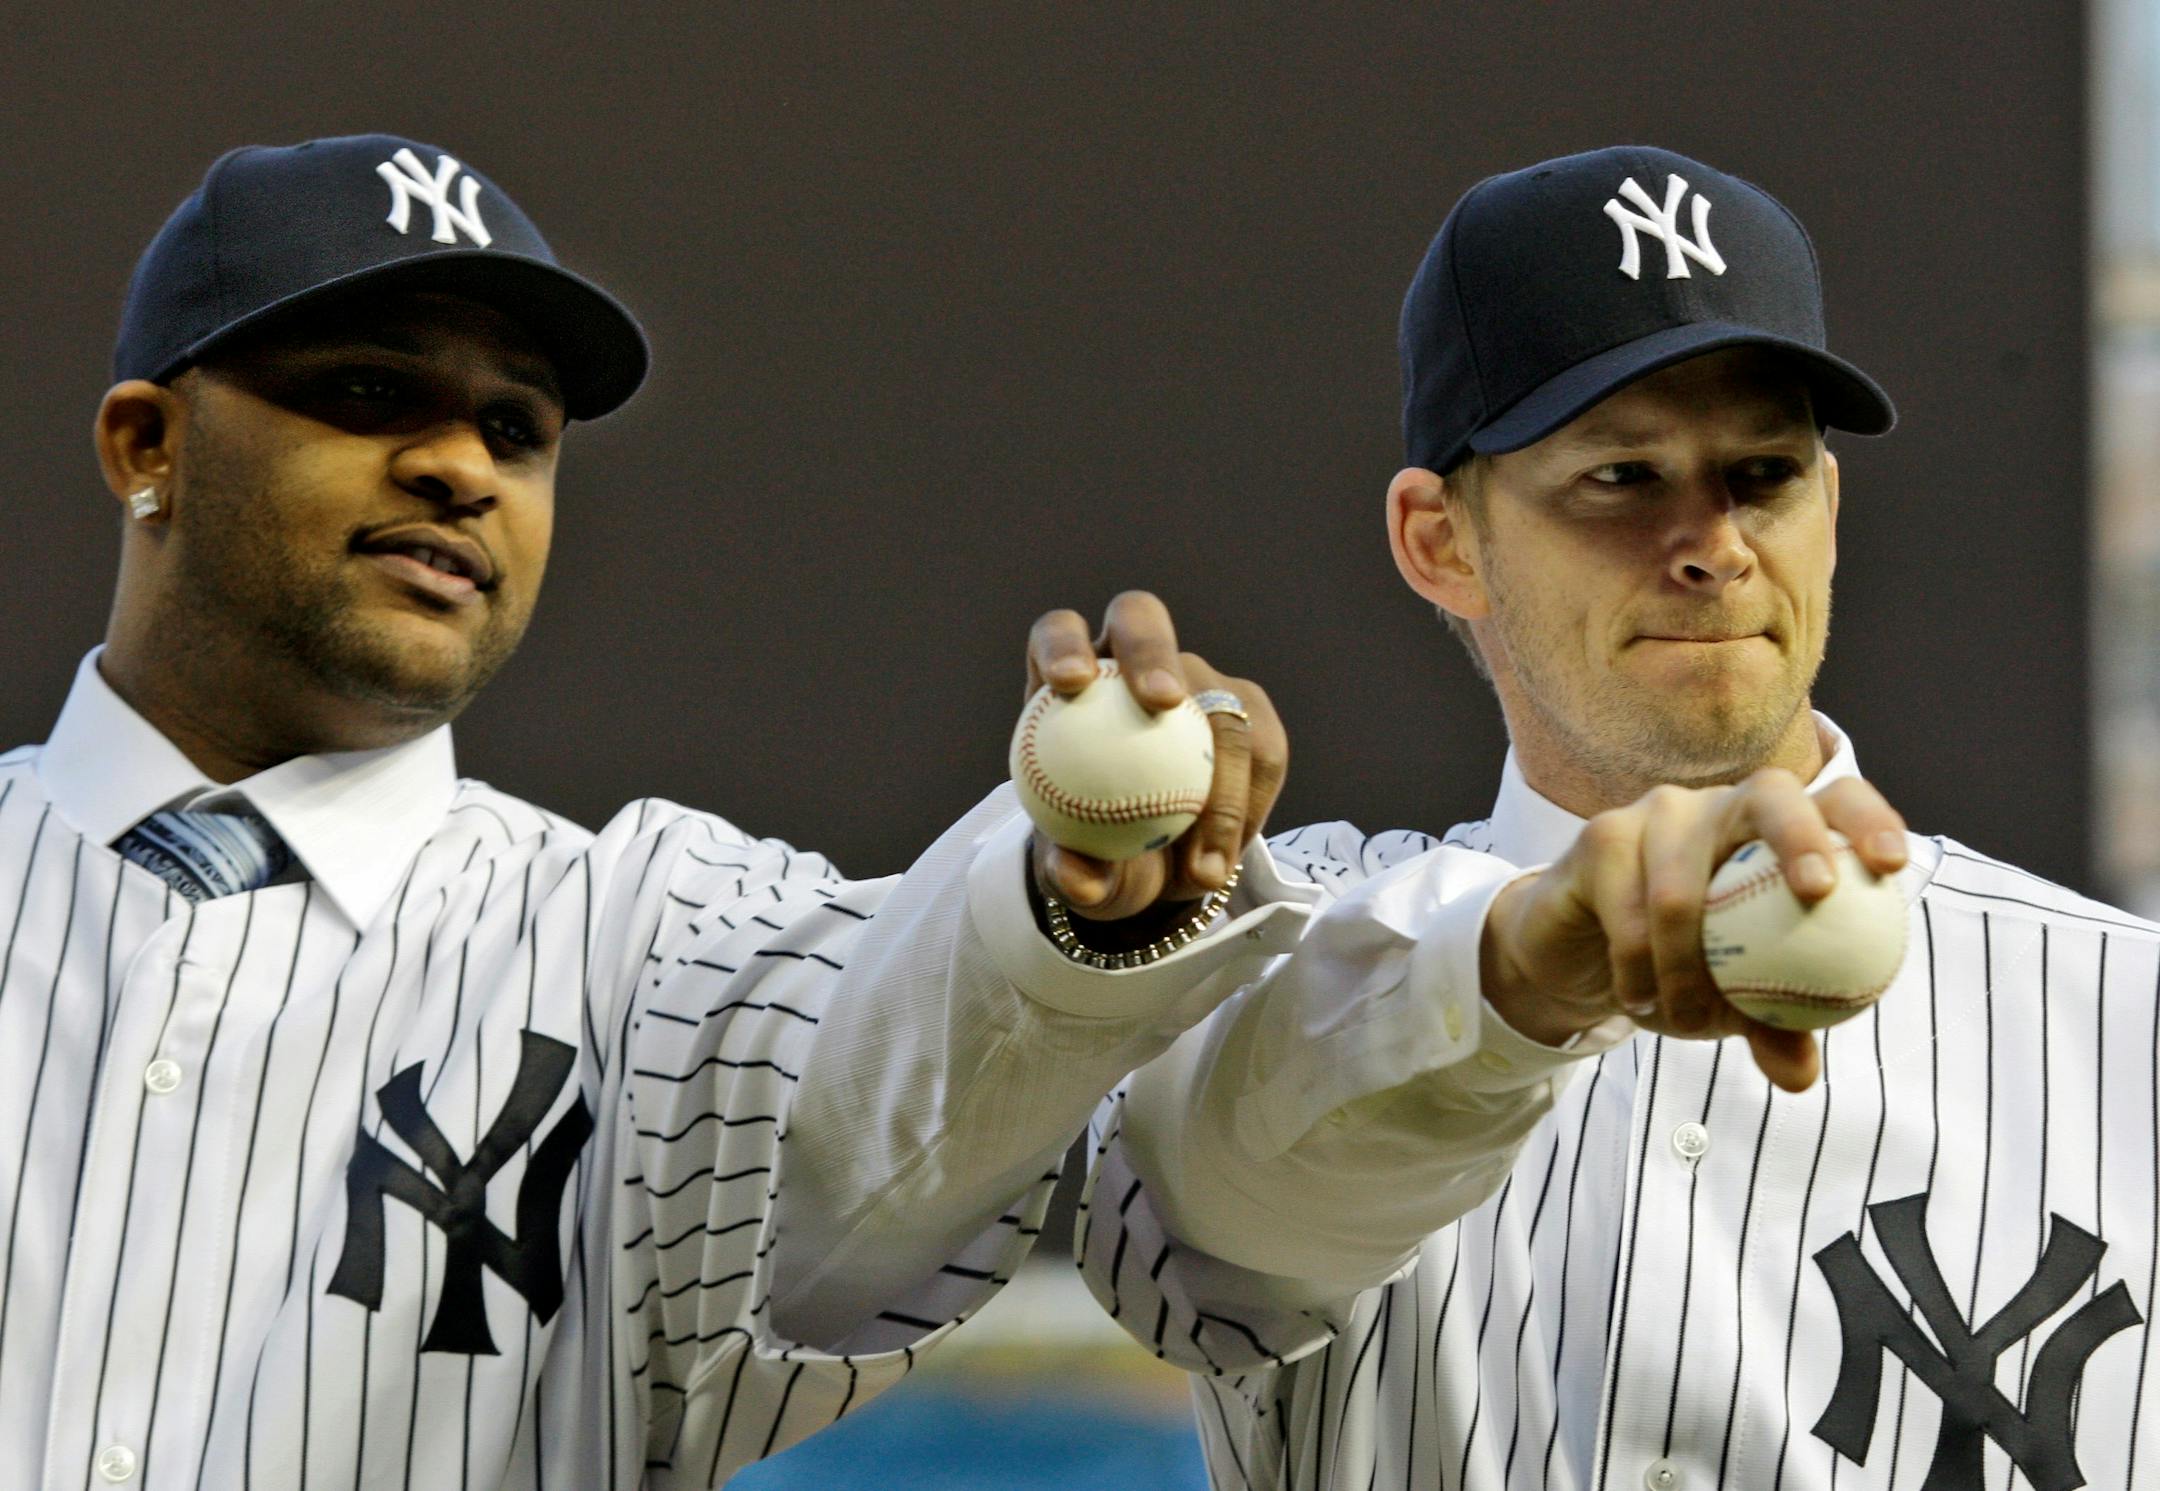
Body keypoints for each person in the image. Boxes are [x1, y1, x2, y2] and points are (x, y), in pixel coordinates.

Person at [0, 134, 1311, 1490]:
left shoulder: (643, 937)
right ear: (147, 442)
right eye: (371, 391)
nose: (462, 466)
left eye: (517, 428)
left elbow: (898, 1043)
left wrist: (1063, 897)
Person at [1074, 146, 2160, 1490]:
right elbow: (1165, 1224)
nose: (1713, 542)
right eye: (1621, 477)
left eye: (1763, 472)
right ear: (1441, 542)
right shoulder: (1283, 965)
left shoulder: (2127, 1014)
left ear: (1830, 508)